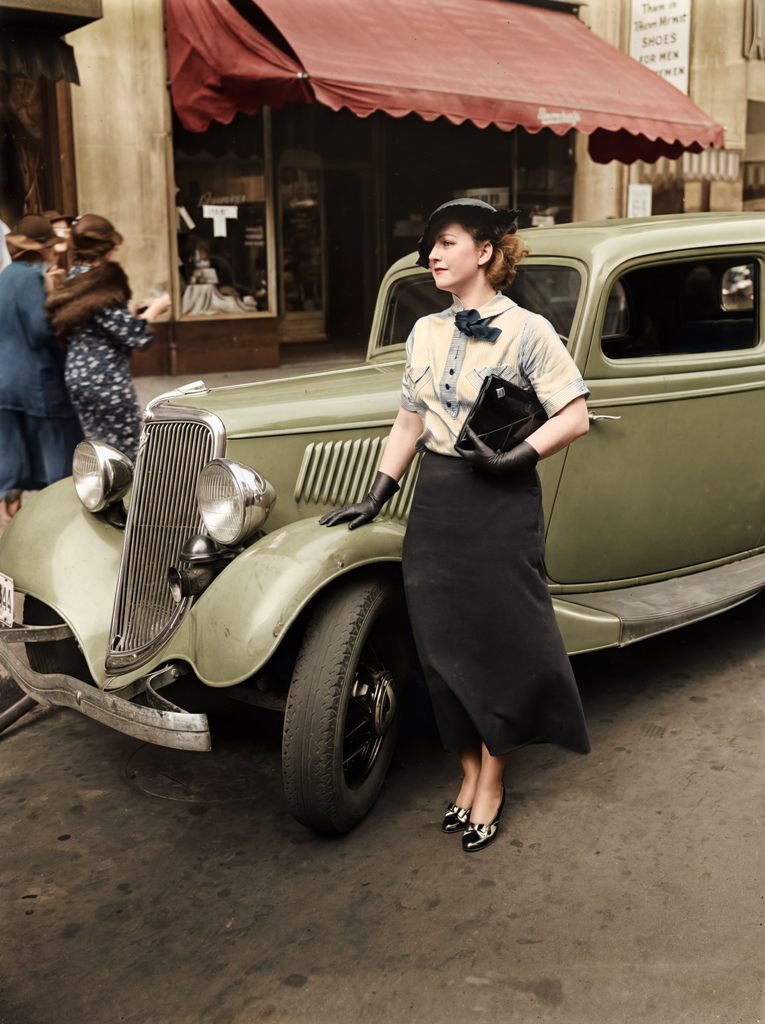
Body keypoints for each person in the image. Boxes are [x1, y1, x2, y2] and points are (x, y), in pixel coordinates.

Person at [321, 198, 591, 853]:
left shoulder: (528, 330)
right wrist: (377, 493)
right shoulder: (424, 331)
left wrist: (513, 457)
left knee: (494, 644)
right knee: (441, 650)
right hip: (437, 503)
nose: (432, 256)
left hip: (498, 504)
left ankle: (491, 779)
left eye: (445, 242)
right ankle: (466, 769)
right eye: (429, 246)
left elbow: (574, 414)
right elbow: (408, 421)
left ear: (485, 251)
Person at [45, 214, 171, 463]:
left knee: (97, 448)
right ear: (106, 248)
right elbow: (133, 336)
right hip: (105, 379)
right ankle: (123, 501)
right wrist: (156, 309)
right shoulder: (102, 283)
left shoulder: (74, 278)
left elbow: (94, 320)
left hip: (78, 375)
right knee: (123, 453)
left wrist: (132, 312)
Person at [0, 215, 83, 520]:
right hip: (36, 382)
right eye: (50, 246)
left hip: (5, 380)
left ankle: (8, 512)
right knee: (58, 452)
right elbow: (40, 331)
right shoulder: (31, 278)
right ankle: (59, 517)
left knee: (10, 452)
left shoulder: (5, 276)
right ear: (42, 249)